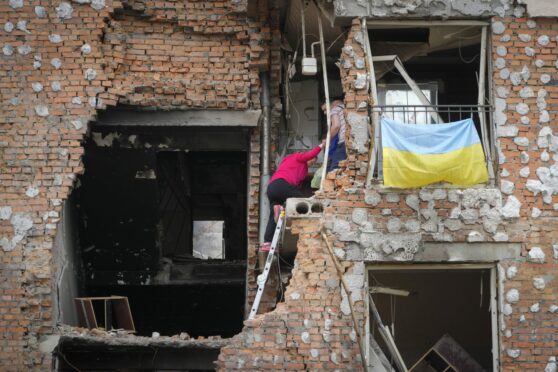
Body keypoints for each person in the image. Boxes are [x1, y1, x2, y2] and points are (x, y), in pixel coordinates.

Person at [261, 140, 326, 251]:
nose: (312, 163)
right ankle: (310, 226)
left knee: (273, 217)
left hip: (272, 188)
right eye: (313, 160)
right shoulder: (297, 157)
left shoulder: (300, 169)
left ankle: (267, 242)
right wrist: (322, 145)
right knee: (301, 201)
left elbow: (297, 185)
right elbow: (309, 154)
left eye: (314, 162)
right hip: (280, 184)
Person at [321, 99, 347, 172]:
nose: (325, 112)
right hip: (349, 141)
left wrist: (327, 139)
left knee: (333, 170)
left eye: (325, 109)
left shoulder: (335, 109)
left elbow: (336, 126)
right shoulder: (345, 109)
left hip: (343, 142)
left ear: (333, 104)